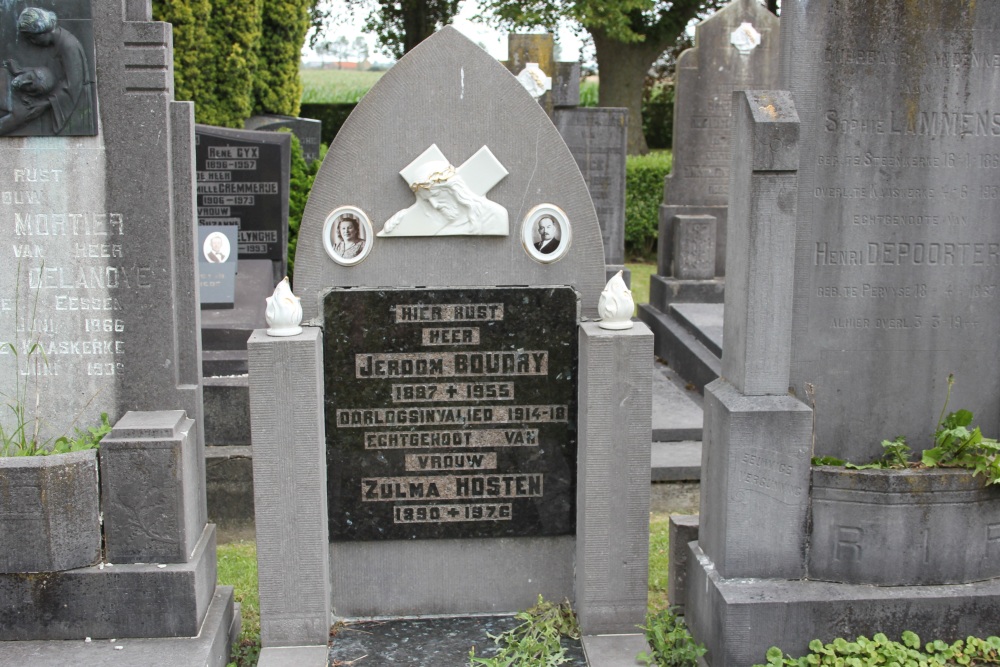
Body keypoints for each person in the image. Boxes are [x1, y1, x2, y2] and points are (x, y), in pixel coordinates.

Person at [0, 8, 95, 136]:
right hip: (51, 97)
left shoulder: (68, 46)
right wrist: (20, 71)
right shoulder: (58, 43)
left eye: (32, 38)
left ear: (42, 31)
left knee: (19, 114)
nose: (32, 42)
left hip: (70, 104)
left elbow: (73, 86)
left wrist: (44, 105)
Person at [380, 160, 508, 236]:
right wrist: (400, 225)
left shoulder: (494, 216)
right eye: (426, 200)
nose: (434, 205)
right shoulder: (430, 219)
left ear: (454, 189)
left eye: (436, 195)